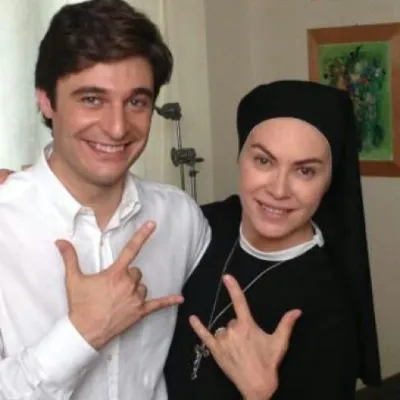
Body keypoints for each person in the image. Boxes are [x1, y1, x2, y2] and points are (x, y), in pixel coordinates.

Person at [0, 1, 299, 399]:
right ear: (46, 100)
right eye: (92, 99)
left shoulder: (179, 217)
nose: (117, 127)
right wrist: (81, 333)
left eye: (136, 102)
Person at [164, 80, 381, 399]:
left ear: (328, 182)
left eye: (305, 171)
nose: (279, 190)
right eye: (264, 161)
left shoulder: (331, 311)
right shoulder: (200, 224)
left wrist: (259, 393)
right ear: (240, 158)